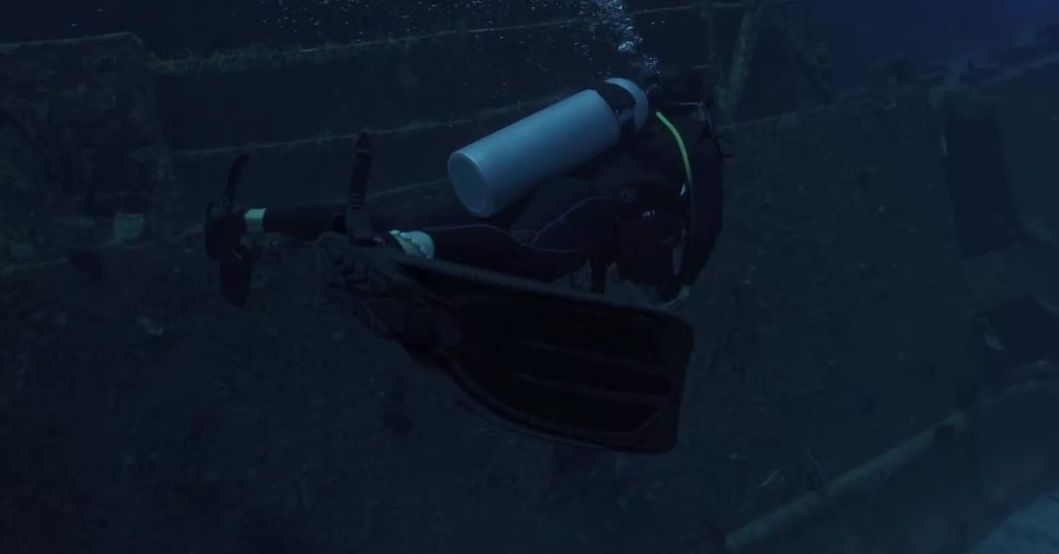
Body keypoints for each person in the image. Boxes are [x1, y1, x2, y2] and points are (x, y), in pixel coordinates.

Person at [203, 66, 730, 453]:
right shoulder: (695, 140)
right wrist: (682, 282)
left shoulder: (639, 127)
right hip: (584, 208)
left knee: (396, 220)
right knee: (531, 255)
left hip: (537, 187)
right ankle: (412, 249)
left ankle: (244, 220)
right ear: (702, 106)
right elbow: (706, 220)